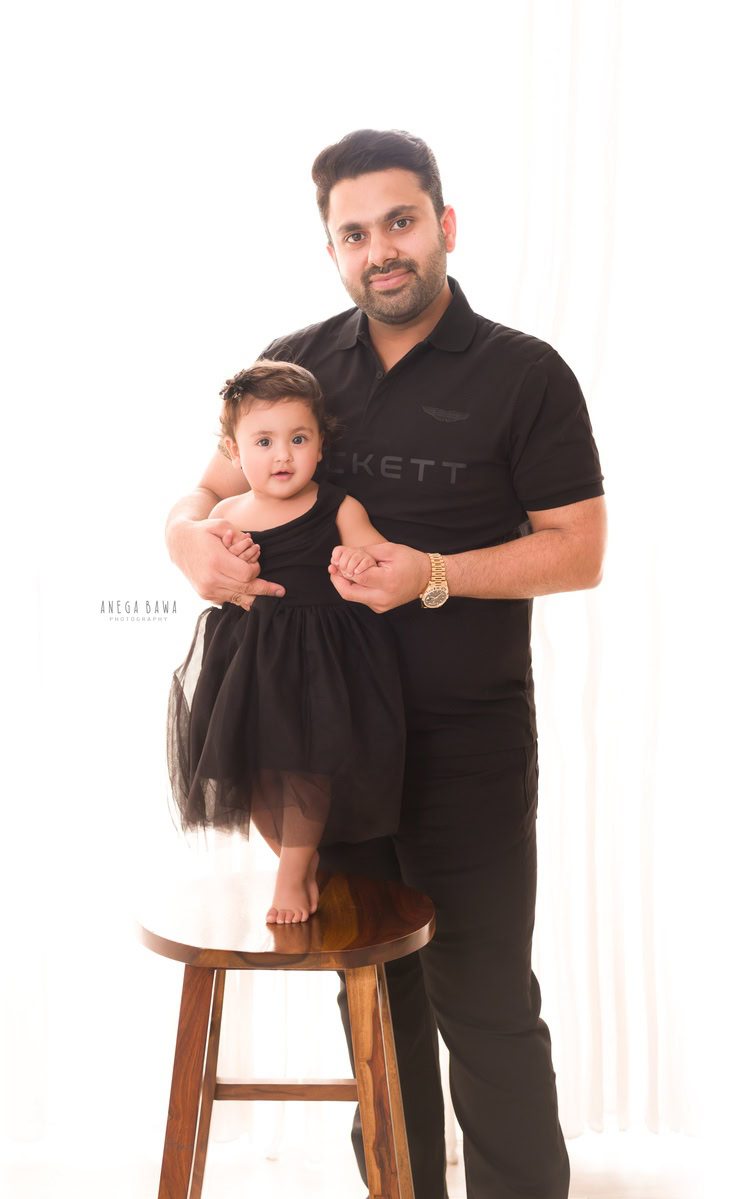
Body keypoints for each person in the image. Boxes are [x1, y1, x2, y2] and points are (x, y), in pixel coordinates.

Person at [165, 129, 607, 1199]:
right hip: (326, 747)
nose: (381, 250)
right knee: (373, 997)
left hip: (467, 742)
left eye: (399, 222)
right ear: (332, 250)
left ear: (443, 226)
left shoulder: (524, 373)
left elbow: (578, 550)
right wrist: (182, 541)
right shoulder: (297, 362)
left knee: (486, 1000)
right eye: (353, 233)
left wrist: (433, 574)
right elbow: (200, 493)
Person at [166, 358, 405, 924]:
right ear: (234, 450)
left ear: (320, 446)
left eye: (299, 439)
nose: (283, 455)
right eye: (265, 441)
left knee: (306, 767)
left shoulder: (338, 505)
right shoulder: (225, 512)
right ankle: (297, 856)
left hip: (318, 657)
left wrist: (356, 556)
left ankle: (295, 868)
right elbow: (214, 575)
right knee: (248, 769)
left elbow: (376, 551)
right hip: (246, 658)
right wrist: (227, 558)